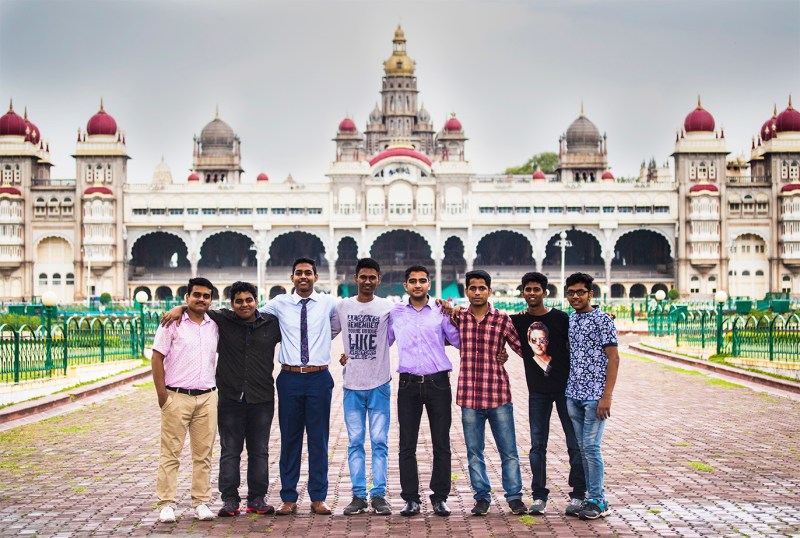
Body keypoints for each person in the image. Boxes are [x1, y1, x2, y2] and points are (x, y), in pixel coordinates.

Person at [159, 282, 282, 517]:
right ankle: (230, 500)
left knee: (259, 450)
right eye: (238, 301)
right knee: (230, 450)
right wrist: (180, 308)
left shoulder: (271, 324)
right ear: (231, 303)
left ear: (257, 301)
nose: (244, 305)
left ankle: (257, 498)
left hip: (262, 397)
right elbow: (197, 306)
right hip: (230, 397)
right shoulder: (222, 321)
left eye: (248, 300)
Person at [258, 257, 340, 516]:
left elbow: (340, 324)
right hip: (290, 378)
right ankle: (288, 498)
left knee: (319, 439)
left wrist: (323, 341)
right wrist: (183, 310)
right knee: (290, 439)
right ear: (291, 278)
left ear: (316, 277)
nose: (303, 277)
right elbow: (248, 314)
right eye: (298, 273)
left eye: (308, 273)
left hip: (319, 377)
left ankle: (318, 497)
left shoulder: (328, 302)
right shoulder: (279, 304)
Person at [509, 272, 586, 517]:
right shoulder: (518, 322)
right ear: (522, 292)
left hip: (566, 390)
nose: (532, 293)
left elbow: (584, 327)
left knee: (575, 444)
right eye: (528, 289)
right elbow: (490, 320)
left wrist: (605, 315)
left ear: (545, 292)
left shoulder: (561, 319)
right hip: (538, 393)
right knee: (537, 446)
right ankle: (539, 496)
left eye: (536, 289)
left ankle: (578, 495)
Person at [453, 269, 527, 516]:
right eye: (472, 288)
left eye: (482, 288)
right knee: (474, 451)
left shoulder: (502, 320)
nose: (477, 292)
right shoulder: (459, 318)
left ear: (489, 291)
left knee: (508, 450)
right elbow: (434, 315)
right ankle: (481, 497)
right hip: (469, 397)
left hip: (497, 394)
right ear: (466, 291)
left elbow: (523, 348)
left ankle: (514, 496)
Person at [388, 265, 460, 517]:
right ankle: (411, 499)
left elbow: (460, 341)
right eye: (412, 281)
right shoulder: (395, 312)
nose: (417, 285)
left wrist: (453, 314)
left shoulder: (440, 311)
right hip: (408, 384)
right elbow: (382, 342)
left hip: (438, 383)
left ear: (429, 284)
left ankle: (440, 497)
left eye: (422, 281)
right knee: (407, 444)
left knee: (441, 443)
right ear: (405, 285)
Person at [151, 277, 219, 523]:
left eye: (206, 296)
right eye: (196, 295)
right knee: (171, 453)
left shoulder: (215, 324)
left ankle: (201, 502)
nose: (201, 299)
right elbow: (157, 358)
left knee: (203, 455)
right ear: (186, 297)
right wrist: (163, 397)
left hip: (207, 397)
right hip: (176, 396)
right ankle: (167, 503)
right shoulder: (172, 323)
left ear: (211, 299)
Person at [336, 258, 393, 516]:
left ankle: (378, 494)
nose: (367, 282)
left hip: (379, 384)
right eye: (363, 277)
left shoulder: (387, 307)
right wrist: (342, 356)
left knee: (379, 442)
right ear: (355, 278)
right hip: (352, 385)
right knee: (355, 442)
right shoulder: (343, 307)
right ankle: (358, 495)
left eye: (372, 277)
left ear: (378, 280)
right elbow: (324, 332)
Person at [564, 272, 620, 520]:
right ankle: (590, 497)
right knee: (581, 449)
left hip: (595, 396)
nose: (575, 296)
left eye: (580, 292)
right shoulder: (572, 320)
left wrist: (607, 396)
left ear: (590, 294)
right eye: (571, 292)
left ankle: (599, 500)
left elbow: (614, 358)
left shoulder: (603, 321)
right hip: (573, 393)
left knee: (591, 448)